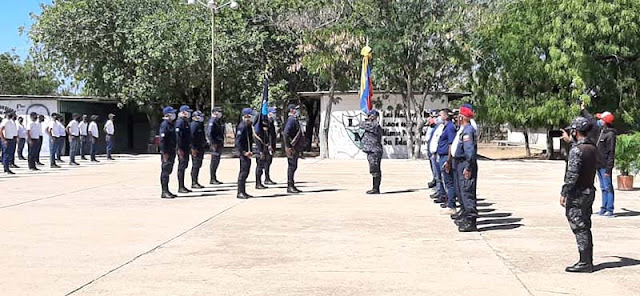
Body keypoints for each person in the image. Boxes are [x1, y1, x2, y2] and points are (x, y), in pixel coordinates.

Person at [561, 117, 598, 273]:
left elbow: (572, 174)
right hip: (589, 190)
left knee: (579, 226)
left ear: (575, 131)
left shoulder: (577, 150)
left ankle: (585, 262)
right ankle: (587, 259)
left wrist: (564, 192)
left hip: (578, 192)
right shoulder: (592, 147)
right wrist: (570, 142)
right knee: (585, 224)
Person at [580, 105, 617, 217]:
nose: (598, 121)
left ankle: (610, 209)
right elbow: (591, 119)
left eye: (601, 119)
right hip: (598, 164)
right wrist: (583, 109)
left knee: (608, 187)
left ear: (605, 122)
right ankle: (603, 208)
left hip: (605, 166)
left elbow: (611, 153)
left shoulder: (610, 135)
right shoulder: (600, 131)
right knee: (602, 188)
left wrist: (609, 169)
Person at [450, 105, 479, 232]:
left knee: (467, 192)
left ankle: (471, 220)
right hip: (458, 163)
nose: (457, 117)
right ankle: (465, 216)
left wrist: (468, 167)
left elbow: (470, 152)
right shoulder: (463, 129)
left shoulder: (468, 131)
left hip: (465, 163)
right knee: (461, 191)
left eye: (459, 115)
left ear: (463, 117)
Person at [359, 109, 384, 194]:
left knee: (375, 170)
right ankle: (375, 188)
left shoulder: (375, 125)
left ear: (375, 116)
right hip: (371, 151)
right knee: (374, 170)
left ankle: (376, 188)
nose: (369, 117)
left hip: (374, 151)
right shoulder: (372, 124)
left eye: (371, 116)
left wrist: (366, 120)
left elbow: (361, 124)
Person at [435, 109, 457, 207]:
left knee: (449, 182)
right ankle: (449, 201)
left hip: (446, 157)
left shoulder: (450, 128)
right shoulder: (445, 127)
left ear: (446, 116)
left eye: (441, 115)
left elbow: (451, 144)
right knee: (446, 181)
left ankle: (451, 204)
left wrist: (448, 160)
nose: (439, 117)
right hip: (442, 156)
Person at [159, 106, 178, 199]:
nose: (174, 115)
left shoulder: (171, 124)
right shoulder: (165, 124)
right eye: (172, 113)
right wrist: (164, 152)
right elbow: (162, 140)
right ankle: (164, 191)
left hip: (171, 150)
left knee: (169, 170)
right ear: (167, 115)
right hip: (167, 152)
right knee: (165, 171)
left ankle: (167, 190)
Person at [284, 104, 303, 193]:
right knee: (292, 167)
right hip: (292, 148)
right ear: (291, 110)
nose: (297, 111)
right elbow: (286, 133)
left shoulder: (294, 119)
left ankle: (292, 185)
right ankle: (290, 186)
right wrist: (288, 146)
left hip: (295, 147)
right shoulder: (291, 120)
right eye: (295, 109)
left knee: (294, 166)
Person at [236, 108, 254, 199]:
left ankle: (243, 191)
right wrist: (244, 152)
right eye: (250, 116)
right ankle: (240, 192)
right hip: (244, 154)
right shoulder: (242, 126)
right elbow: (238, 142)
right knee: (243, 172)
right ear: (246, 116)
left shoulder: (248, 126)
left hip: (248, 153)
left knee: (246, 172)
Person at [175, 105, 193, 193]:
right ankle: (180, 186)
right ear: (183, 112)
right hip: (182, 148)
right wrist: (179, 149)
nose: (189, 113)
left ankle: (182, 186)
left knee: (184, 166)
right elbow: (178, 137)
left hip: (186, 148)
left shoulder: (185, 122)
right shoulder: (180, 122)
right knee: (181, 167)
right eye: (187, 111)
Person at [207, 107, 225, 184]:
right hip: (215, 144)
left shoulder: (217, 121)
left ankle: (214, 177)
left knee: (216, 161)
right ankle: (212, 178)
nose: (220, 113)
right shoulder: (212, 121)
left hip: (218, 143)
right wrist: (213, 143)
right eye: (219, 112)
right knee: (214, 161)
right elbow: (209, 133)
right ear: (214, 112)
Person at [253, 112, 270, 190]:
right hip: (259, 150)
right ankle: (258, 183)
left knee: (262, 166)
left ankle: (260, 182)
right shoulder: (257, 130)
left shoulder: (263, 130)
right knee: (259, 167)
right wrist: (261, 151)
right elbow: (257, 141)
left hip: (263, 149)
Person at [190, 111, 206, 189]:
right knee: (195, 165)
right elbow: (191, 137)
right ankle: (194, 182)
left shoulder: (199, 125)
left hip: (200, 147)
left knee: (198, 165)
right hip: (196, 148)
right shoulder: (194, 125)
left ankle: (196, 181)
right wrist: (193, 148)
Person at [263, 107, 278, 185]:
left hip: (271, 145)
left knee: (269, 162)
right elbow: (267, 135)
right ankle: (266, 178)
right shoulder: (266, 122)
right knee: (266, 162)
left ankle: (267, 177)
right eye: (273, 113)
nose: (274, 114)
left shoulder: (271, 121)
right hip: (267, 146)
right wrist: (269, 144)